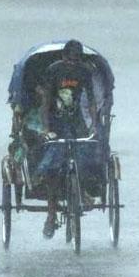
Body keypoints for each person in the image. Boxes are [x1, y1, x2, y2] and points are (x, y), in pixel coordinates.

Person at [39, 40, 99, 238]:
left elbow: (90, 100)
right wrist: (46, 128)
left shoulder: (84, 72)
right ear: (64, 57)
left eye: (77, 60)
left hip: (76, 122)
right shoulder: (53, 71)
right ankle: (50, 215)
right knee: (52, 167)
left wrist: (95, 125)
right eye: (70, 59)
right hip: (57, 122)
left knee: (87, 153)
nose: (73, 63)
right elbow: (46, 100)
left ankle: (82, 192)